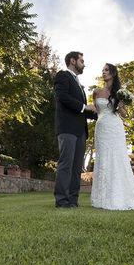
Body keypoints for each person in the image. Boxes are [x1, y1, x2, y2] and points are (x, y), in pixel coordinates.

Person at [90, 63, 134, 210]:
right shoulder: (96, 91)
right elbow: (95, 110)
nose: (103, 72)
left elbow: (125, 115)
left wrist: (120, 104)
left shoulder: (120, 92)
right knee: (103, 159)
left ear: (113, 73)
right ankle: (101, 198)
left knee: (117, 158)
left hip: (115, 127)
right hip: (101, 127)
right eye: (102, 70)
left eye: (106, 70)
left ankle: (119, 196)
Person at [53, 51, 97, 208]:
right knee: (66, 165)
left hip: (80, 132)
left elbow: (82, 111)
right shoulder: (62, 76)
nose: (84, 64)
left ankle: (72, 200)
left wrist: (101, 114)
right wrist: (86, 107)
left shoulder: (79, 84)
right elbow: (62, 97)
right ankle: (62, 201)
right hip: (67, 129)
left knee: (77, 167)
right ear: (72, 61)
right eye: (82, 61)